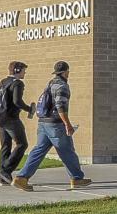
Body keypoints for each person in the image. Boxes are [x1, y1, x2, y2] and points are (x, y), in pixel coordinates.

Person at [14, 61, 92, 191]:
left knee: (38, 151)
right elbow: (60, 107)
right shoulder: (62, 86)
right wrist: (67, 124)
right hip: (55, 125)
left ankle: (22, 178)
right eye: (68, 72)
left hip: (43, 123)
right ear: (66, 72)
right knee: (67, 151)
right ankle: (77, 179)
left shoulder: (51, 83)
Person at [0, 61, 34, 186]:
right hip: (11, 119)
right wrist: (29, 109)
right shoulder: (18, 83)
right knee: (22, 144)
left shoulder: (4, 81)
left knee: (5, 146)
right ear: (17, 71)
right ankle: (5, 170)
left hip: (0, 118)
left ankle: (4, 178)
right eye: (23, 70)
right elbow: (17, 101)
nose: (25, 73)